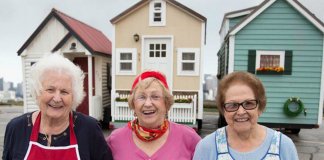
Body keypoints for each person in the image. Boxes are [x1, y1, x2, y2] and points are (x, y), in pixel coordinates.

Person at [2, 53, 113, 160]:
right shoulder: (16, 129)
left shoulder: (89, 129)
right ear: (37, 92)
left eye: (64, 92)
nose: (57, 98)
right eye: (50, 90)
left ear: (73, 96)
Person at [193, 71, 298, 160]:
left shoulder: (284, 146)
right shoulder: (207, 147)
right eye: (232, 105)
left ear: (260, 107)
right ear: (223, 110)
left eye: (248, 103)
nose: (241, 112)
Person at [106, 70, 201, 160]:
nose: (148, 104)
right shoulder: (115, 140)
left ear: (166, 103)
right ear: (133, 104)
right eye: (141, 97)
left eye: (155, 97)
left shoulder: (188, 137)